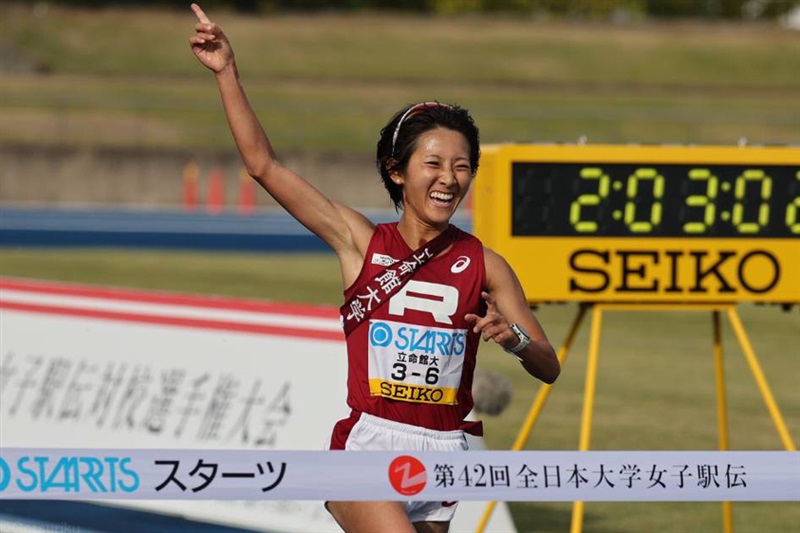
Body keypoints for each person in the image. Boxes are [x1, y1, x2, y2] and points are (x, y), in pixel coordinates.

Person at [188, 4, 560, 532]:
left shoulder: (486, 264)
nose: (450, 179)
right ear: (396, 171)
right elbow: (263, 166)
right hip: (367, 445)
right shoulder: (360, 241)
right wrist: (226, 72)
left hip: (446, 453)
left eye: (461, 167)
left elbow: (549, 365)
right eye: (433, 164)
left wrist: (515, 338)